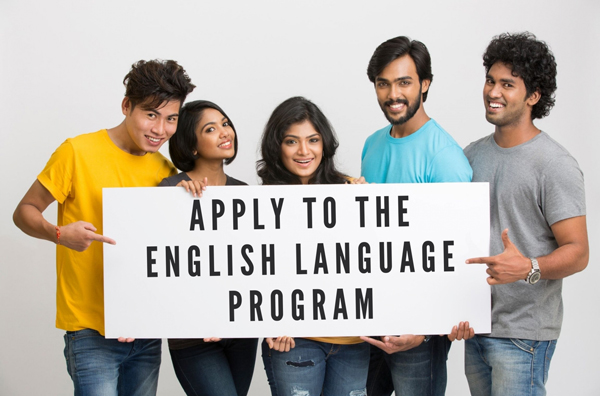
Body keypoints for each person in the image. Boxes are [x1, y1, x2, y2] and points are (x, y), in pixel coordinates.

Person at [12, 60, 195, 396]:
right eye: (151, 115)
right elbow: (24, 211)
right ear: (127, 106)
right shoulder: (76, 152)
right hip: (90, 330)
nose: (161, 129)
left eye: (171, 118)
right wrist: (59, 234)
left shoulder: (166, 171)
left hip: (144, 329)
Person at [463, 32, 588, 396]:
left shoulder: (554, 164)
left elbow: (578, 251)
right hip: (477, 328)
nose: (493, 92)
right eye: (490, 80)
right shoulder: (471, 155)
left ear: (533, 96)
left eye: (507, 84)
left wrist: (529, 267)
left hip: (523, 335)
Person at [359, 36, 474, 396]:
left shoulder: (445, 158)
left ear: (425, 84)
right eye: (383, 83)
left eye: (404, 82)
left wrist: (422, 330)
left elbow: (458, 255)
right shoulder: (372, 143)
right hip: (372, 313)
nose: (393, 94)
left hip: (417, 328)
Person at [257, 96, 369, 396]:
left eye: (313, 140)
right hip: (294, 339)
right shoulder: (260, 205)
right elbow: (255, 271)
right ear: (277, 146)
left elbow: (370, 260)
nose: (304, 151)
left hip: (352, 342)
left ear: (324, 143)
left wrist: (367, 211)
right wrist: (268, 321)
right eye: (292, 141)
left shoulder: (351, 190)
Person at [158, 100, 258, 396]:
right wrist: (174, 205)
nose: (225, 132)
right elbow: (166, 267)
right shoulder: (169, 190)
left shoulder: (243, 193)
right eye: (211, 129)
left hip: (240, 331)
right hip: (193, 337)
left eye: (225, 124)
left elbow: (251, 263)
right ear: (191, 145)